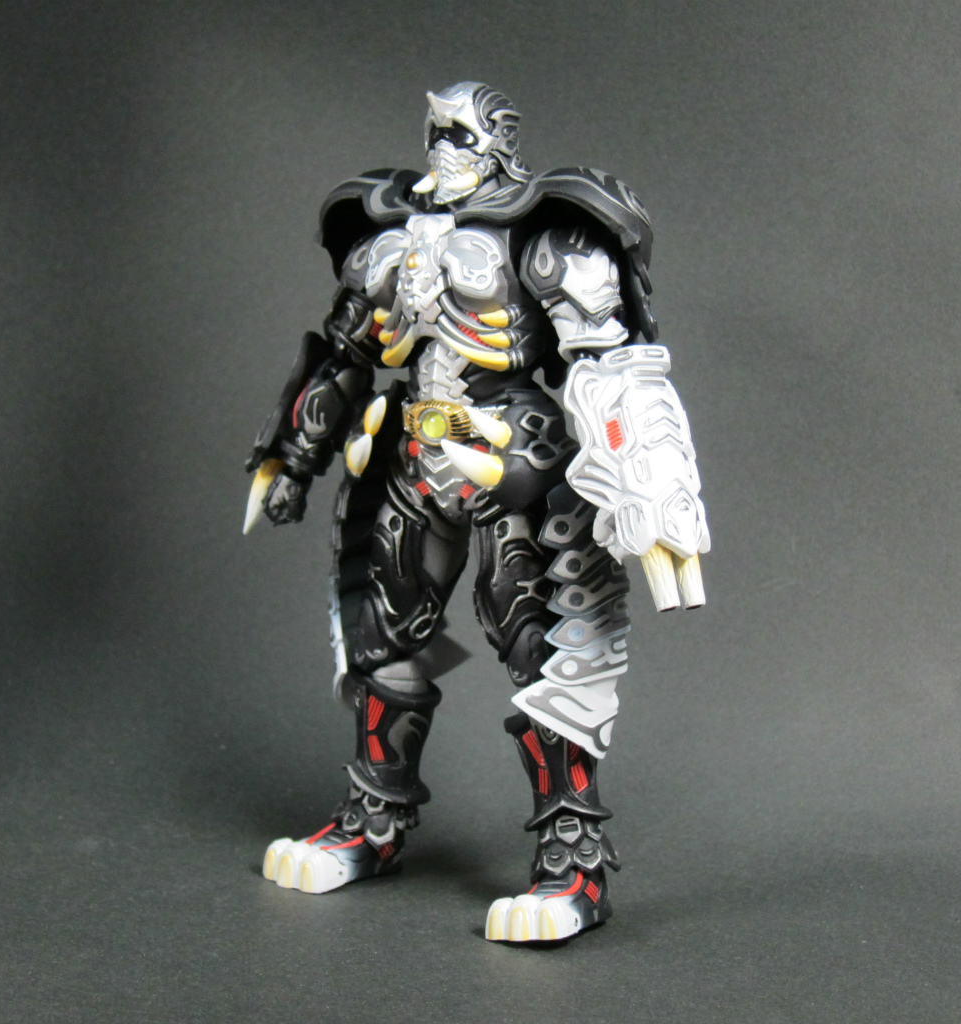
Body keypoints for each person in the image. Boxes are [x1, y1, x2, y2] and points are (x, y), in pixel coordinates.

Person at [244, 82, 709, 942]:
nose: (444, 144)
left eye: (462, 132)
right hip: (411, 448)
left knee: (544, 646)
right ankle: (374, 818)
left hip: (512, 454)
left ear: (499, 140)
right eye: (437, 130)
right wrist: (292, 454)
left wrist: (652, 493)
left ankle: (573, 862)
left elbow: (612, 362)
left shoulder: (545, 232)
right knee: (382, 635)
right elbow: (346, 348)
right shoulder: (388, 232)